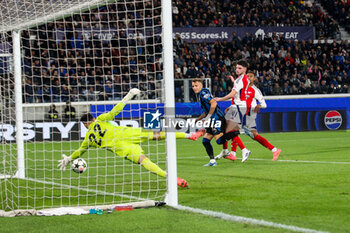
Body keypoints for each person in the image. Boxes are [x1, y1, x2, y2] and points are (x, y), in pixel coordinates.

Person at [58, 88, 203, 188]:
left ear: (85, 124)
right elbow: (115, 110)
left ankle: (170, 178)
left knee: (144, 160)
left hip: (122, 148)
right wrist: (129, 96)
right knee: (158, 134)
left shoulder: (88, 138)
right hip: (127, 133)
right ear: (93, 118)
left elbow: (80, 151)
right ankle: (190, 135)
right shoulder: (101, 119)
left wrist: (69, 158)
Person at [218, 71, 282, 162]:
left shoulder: (255, 90)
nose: (249, 78)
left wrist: (259, 105)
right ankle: (233, 153)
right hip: (241, 114)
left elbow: (264, 104)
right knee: (232, 130)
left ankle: (274, 150)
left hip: (249, 116)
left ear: (254, 79)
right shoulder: (242, 88)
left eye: (251, 76)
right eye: (247, 76)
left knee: (250, 135)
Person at [192, 78, 245, 167]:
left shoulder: (203, 93)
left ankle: (241, 131)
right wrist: (199, 118)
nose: (194, 88)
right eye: (193, 86)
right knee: (205, 141)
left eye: (196, 85)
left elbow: (214, 103)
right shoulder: (202, 93)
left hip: (216, 118)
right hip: (212, 119)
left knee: (219, 141)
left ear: (201, 85)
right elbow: (206, 110)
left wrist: (208, 117)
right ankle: (212, 161)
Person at [215, 60, 251, 162]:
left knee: (228, 131)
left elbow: (232, 94)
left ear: (245, 69)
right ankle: (227, 151)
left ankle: (243, 150)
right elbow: (238, 89)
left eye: (240, 68)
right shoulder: (243, 79)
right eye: (236, 68)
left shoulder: (240, 80)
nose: (237, 70)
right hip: (238, 106)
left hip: (239, 107)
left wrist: (220, 99)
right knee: (226, 129)